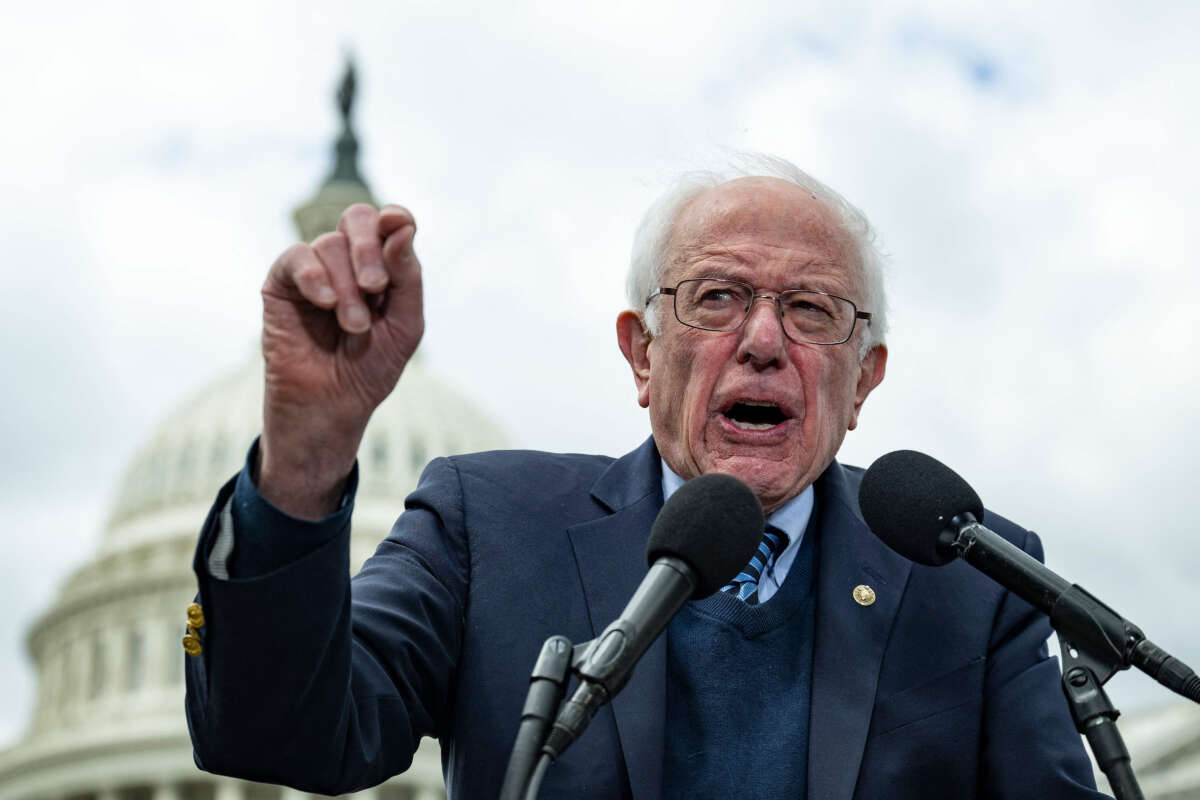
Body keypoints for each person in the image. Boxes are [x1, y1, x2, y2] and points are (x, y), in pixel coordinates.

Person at [184, 155, 1108, 799]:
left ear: (863, 379)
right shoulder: (488, 526)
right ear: (641, 356)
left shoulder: (973, 578)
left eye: (811, 310)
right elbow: (280, 735)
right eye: (716, 297)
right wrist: (305, 458)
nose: (761, 342)